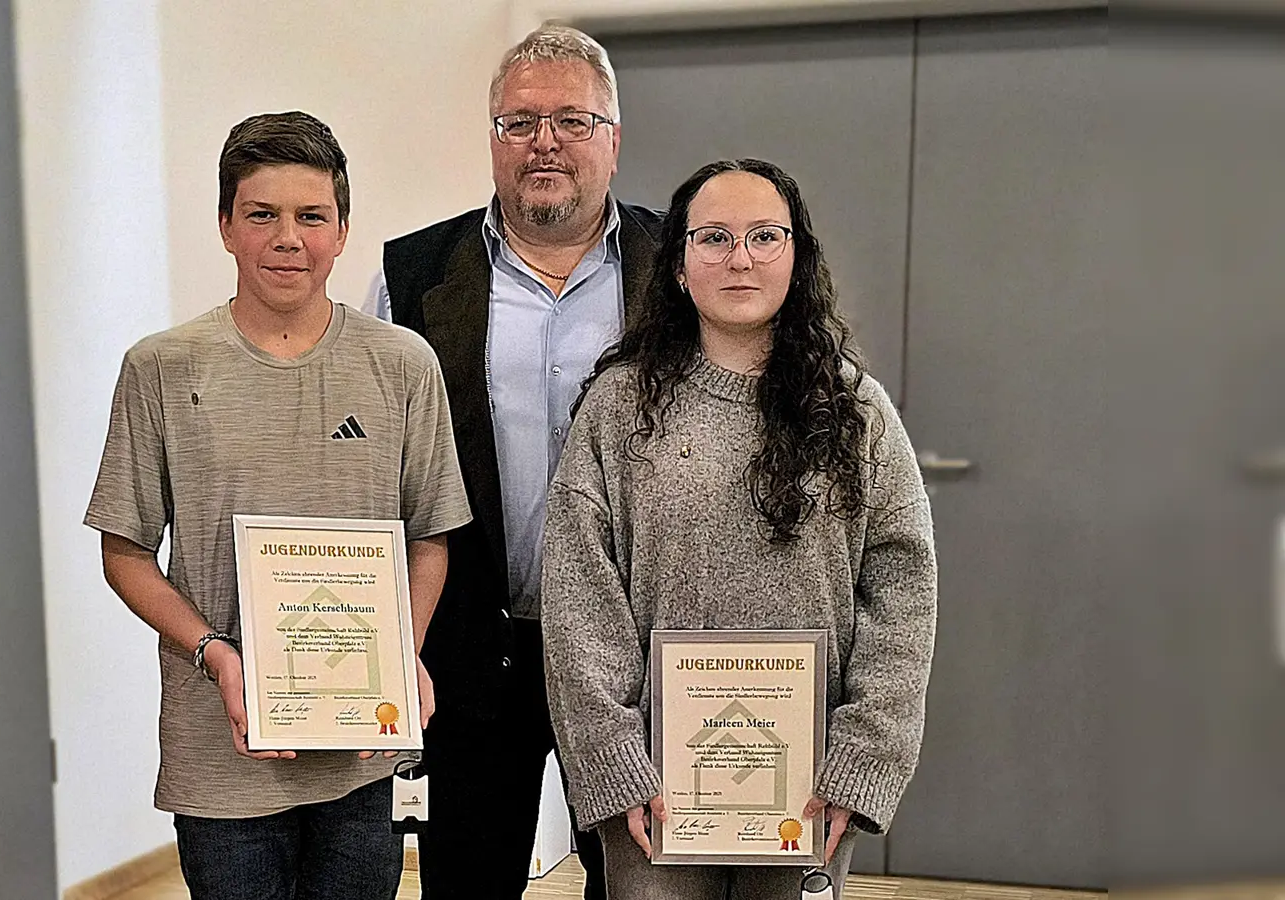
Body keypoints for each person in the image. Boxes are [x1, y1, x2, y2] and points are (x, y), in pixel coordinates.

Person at [85, 111, 472, 900]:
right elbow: (124, 551)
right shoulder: (160, 367)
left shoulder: (404, 365)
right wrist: (213, 654)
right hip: (219, 756)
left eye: (311, 216)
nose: (288, 237)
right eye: (262, 214)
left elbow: (431, 533)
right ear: (226, 226)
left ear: (343, 229)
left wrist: (401, 651)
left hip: (363, 751)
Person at [541, 158, 938, 900]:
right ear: (680, 267)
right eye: (714, 237)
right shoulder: (619, 409)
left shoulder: (859, 415)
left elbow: (902, 595)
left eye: (765, 236)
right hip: (653, 793)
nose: (741, 257)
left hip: (808, 787)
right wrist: (613, 759)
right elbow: (578, 597)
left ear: (797, 255)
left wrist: (862, 758)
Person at [371, 24, 661, 899]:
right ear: (492, 136)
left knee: (635, 884)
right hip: (466, 656)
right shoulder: (412, 277)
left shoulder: (677, 265)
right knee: (465, 882)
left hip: (631, 662)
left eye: (572, 120)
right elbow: (382, 473)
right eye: (519, 122)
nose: (544, 143)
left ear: (615, 137)